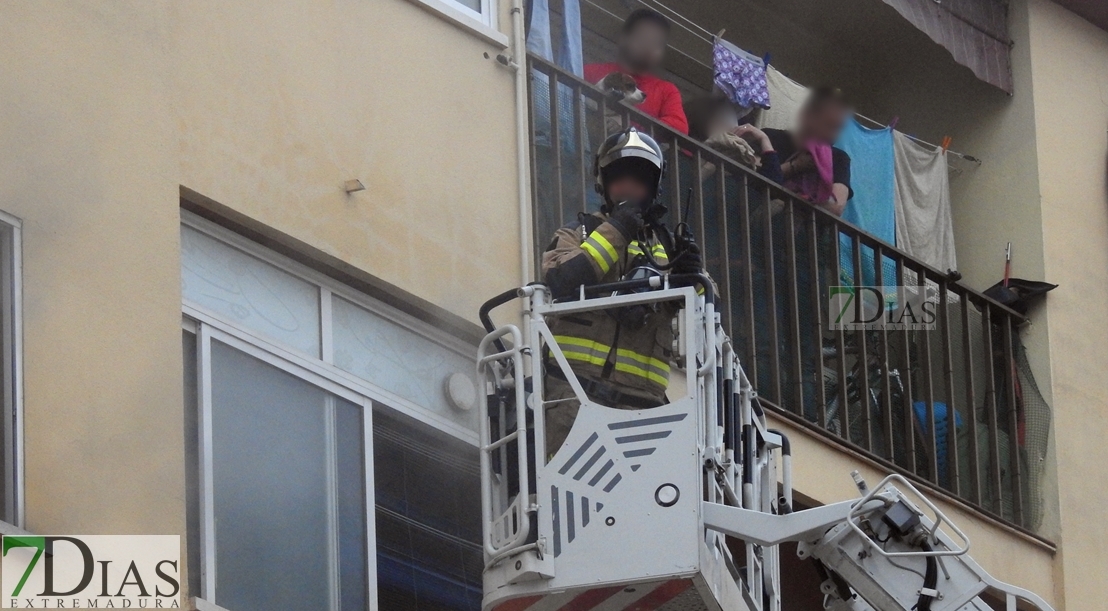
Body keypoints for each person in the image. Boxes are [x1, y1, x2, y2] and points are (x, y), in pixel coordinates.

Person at [541, 128, 703, 455]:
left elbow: (706, 326)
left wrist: (695, 279)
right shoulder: (578, 233)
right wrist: (618, 229)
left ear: (653, 187)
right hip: (571, 397)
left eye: (638, 179)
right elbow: (560, 279)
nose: (628, 186)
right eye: (620, 178)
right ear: (604, 183)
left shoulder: (670, 249)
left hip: (641, 413)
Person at [742, 87, 852, 215]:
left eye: (837, 128)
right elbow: (753, 176)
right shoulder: (771, 138)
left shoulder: (838, 158)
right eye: (828, 124)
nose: (833, 136)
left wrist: (791, 202)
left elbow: (836, 207)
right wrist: (796, 166)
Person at [584, 9, 689, 135]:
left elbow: (680, 127)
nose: (649, 46)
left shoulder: (667, 90)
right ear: (623, 39)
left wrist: (630, 125)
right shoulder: (591, 72)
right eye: (643, 38)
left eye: (657, 43)